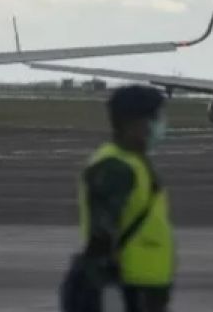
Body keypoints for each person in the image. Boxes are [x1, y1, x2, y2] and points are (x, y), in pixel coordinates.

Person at [71, 84, 176, 312]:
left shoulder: (134, 162)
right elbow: (101, 242)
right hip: (129, 289)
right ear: (135, 123)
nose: (161, 124)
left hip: (144, 289)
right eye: (155, 118)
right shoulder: (115, 168)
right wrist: (108, 297)